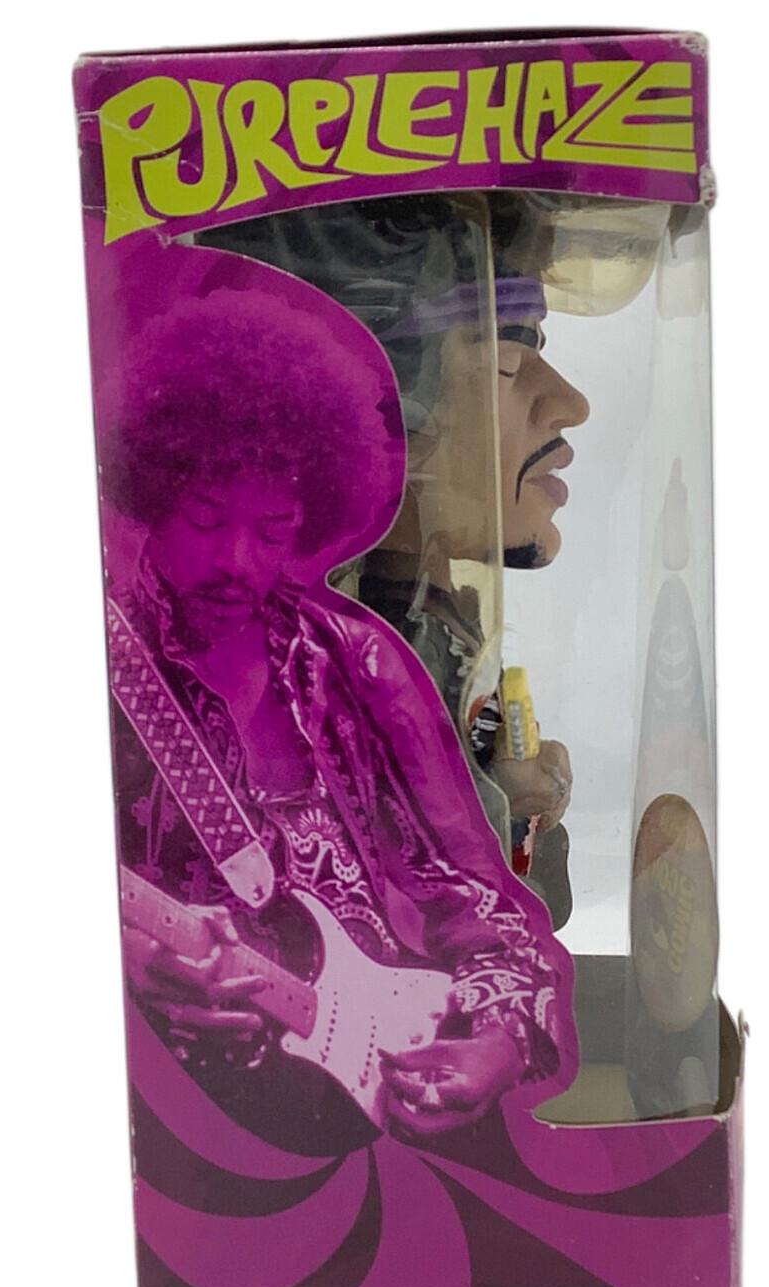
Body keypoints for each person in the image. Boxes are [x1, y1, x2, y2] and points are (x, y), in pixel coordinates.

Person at [101, 273, 571, 1151]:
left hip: (381, 1134)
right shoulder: (103, 667)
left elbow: (474, 896)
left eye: (273, 529)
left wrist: (500, 1042)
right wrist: (137, 978)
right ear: (154, 494)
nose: (237, 561)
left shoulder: (354, 663)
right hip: (166, 1139)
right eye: (205, 518)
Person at [206, 194, 591, 922]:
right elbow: (444, 903)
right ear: (385, 411)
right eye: (509, 365)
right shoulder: (352, 662)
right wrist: (512, 806)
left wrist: (504, 780)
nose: (571, 404)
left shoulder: (420, 621)